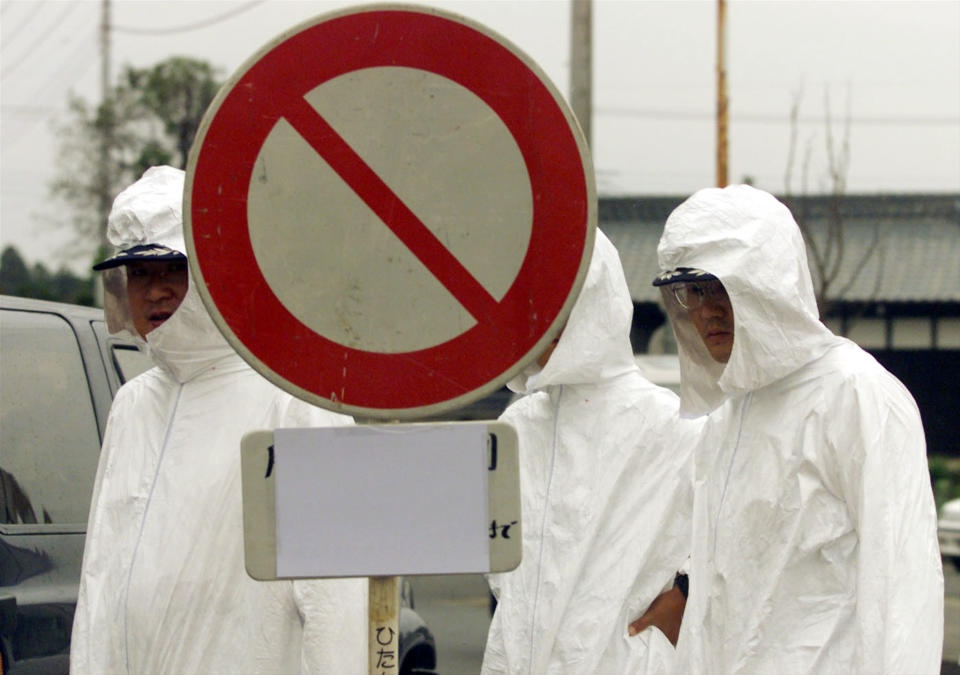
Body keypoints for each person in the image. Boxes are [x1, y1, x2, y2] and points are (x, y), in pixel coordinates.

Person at [71, 166, 367, 673]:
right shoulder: (133, 406)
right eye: (138, 274)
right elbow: (100, 577)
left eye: (172, 269)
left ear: (215, 272)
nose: (154, 292)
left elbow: (336, 600)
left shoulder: (293, 403)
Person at [652, 184, 943, 673]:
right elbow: (712, 603)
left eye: (724, 285)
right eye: (693, 291)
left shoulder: (855, 394)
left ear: (771, 282)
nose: (707, 310)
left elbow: (902, 586)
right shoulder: (727, 420)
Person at [481, 231, 698, 674]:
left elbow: (734, 539)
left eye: (564, 305)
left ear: (598, 300)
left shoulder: (672, 423)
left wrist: (685, 599)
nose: (549, 325)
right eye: (535, 307)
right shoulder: (517, 427)